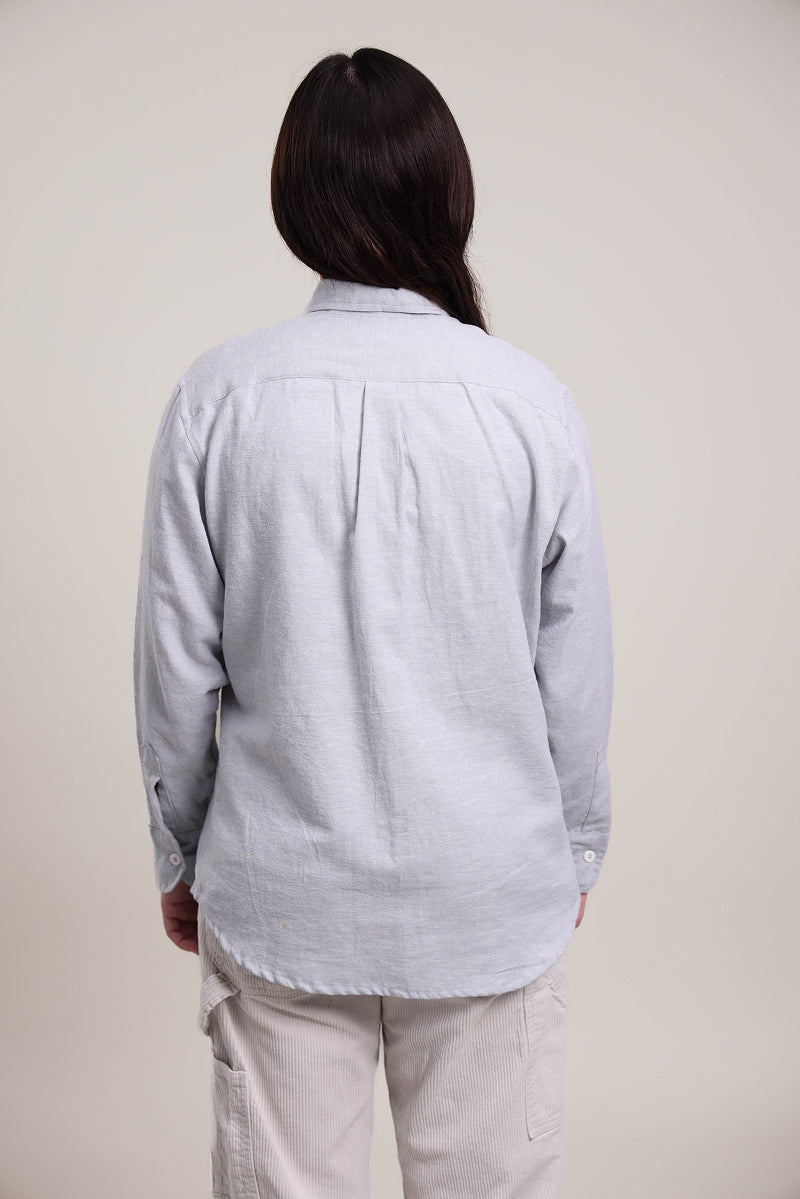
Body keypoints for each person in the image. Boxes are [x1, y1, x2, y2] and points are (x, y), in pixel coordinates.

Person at [133, 45, 613, 1199]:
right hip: (488, 886)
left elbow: (174, 664)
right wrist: (574, 845)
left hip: (282, 888)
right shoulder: (530, 402)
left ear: (295, 195)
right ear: (445, 192)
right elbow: (574, 667)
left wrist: (183, 854)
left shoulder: (218, 398)